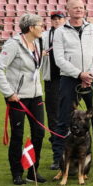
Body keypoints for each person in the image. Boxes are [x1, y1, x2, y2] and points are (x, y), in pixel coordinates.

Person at [52, 0, 93, 167]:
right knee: (64, 119)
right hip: (69, 79)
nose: (79, 10)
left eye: (81, 7)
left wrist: (90, 74)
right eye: (75, 8)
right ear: (68, 10)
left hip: (92, 79)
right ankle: (59, 158)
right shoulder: (60, 31)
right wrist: (79, 74)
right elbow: (59, 59)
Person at [0, 13, 47, 185]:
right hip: (17, 98)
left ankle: (33, 171)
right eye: (40, 25)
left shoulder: (37, 43)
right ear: (31, 28)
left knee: (39, 133)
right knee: (18, 135)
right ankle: (16, 172)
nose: (43, 28)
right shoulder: (13, 45)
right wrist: (8, 93)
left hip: (36, 95)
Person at [41, 11, 66, 170]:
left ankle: (70, 141)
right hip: (51, 79)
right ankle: (55, 140)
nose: (56, 21)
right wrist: (40, 53)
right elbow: (35, 51)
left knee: (68, 111)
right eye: (54, 19)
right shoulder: (44, 36)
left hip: (67, 78)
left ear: (64, 20)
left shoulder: (68, 34)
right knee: (52, 112)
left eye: (59, 19)